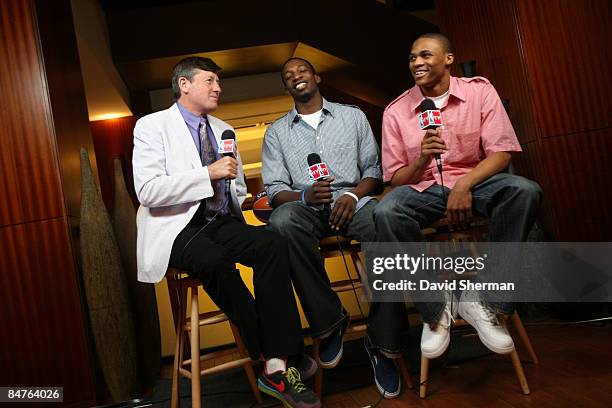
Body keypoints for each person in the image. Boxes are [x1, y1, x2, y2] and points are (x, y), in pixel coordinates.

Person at [132, 56, 320, 408]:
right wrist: (208, 174)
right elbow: (148, 191)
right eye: (209, 81)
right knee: (216, 261)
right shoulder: (151, 126)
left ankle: (275, 364)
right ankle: (273, 356)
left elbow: (232, 186)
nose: (218, 88)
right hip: (178, 228)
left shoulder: (222, 128)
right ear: (184, 84)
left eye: (219, 82)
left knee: (271, 243)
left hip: (221, 220)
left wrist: (241, 196)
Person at [375, 33, 543, 360]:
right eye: (412, 58)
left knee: (524, 191)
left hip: (474, 180)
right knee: (386, 213)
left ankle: (483, 298)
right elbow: (396, 178)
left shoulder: (479, 91)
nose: (417, 63)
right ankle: (435, 309)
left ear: (448, 59)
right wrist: (422, 158)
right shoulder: (396, 111)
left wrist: (465, 184)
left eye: (425, 55)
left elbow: (502, 153)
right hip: (422, 189)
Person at [262, 57, 406, 398]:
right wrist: (304, 194)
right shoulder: (276, 132)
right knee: (281, 224)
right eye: (288, 76)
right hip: (307, 206)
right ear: (286, 87)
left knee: (384, 222)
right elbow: (274, 190)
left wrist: (353, 197)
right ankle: (330, 322)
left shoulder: (352, 116)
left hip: (354, 201)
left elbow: (373, 170)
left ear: (316, 76)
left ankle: (383, 342)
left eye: (301, 71)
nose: (296, 77)